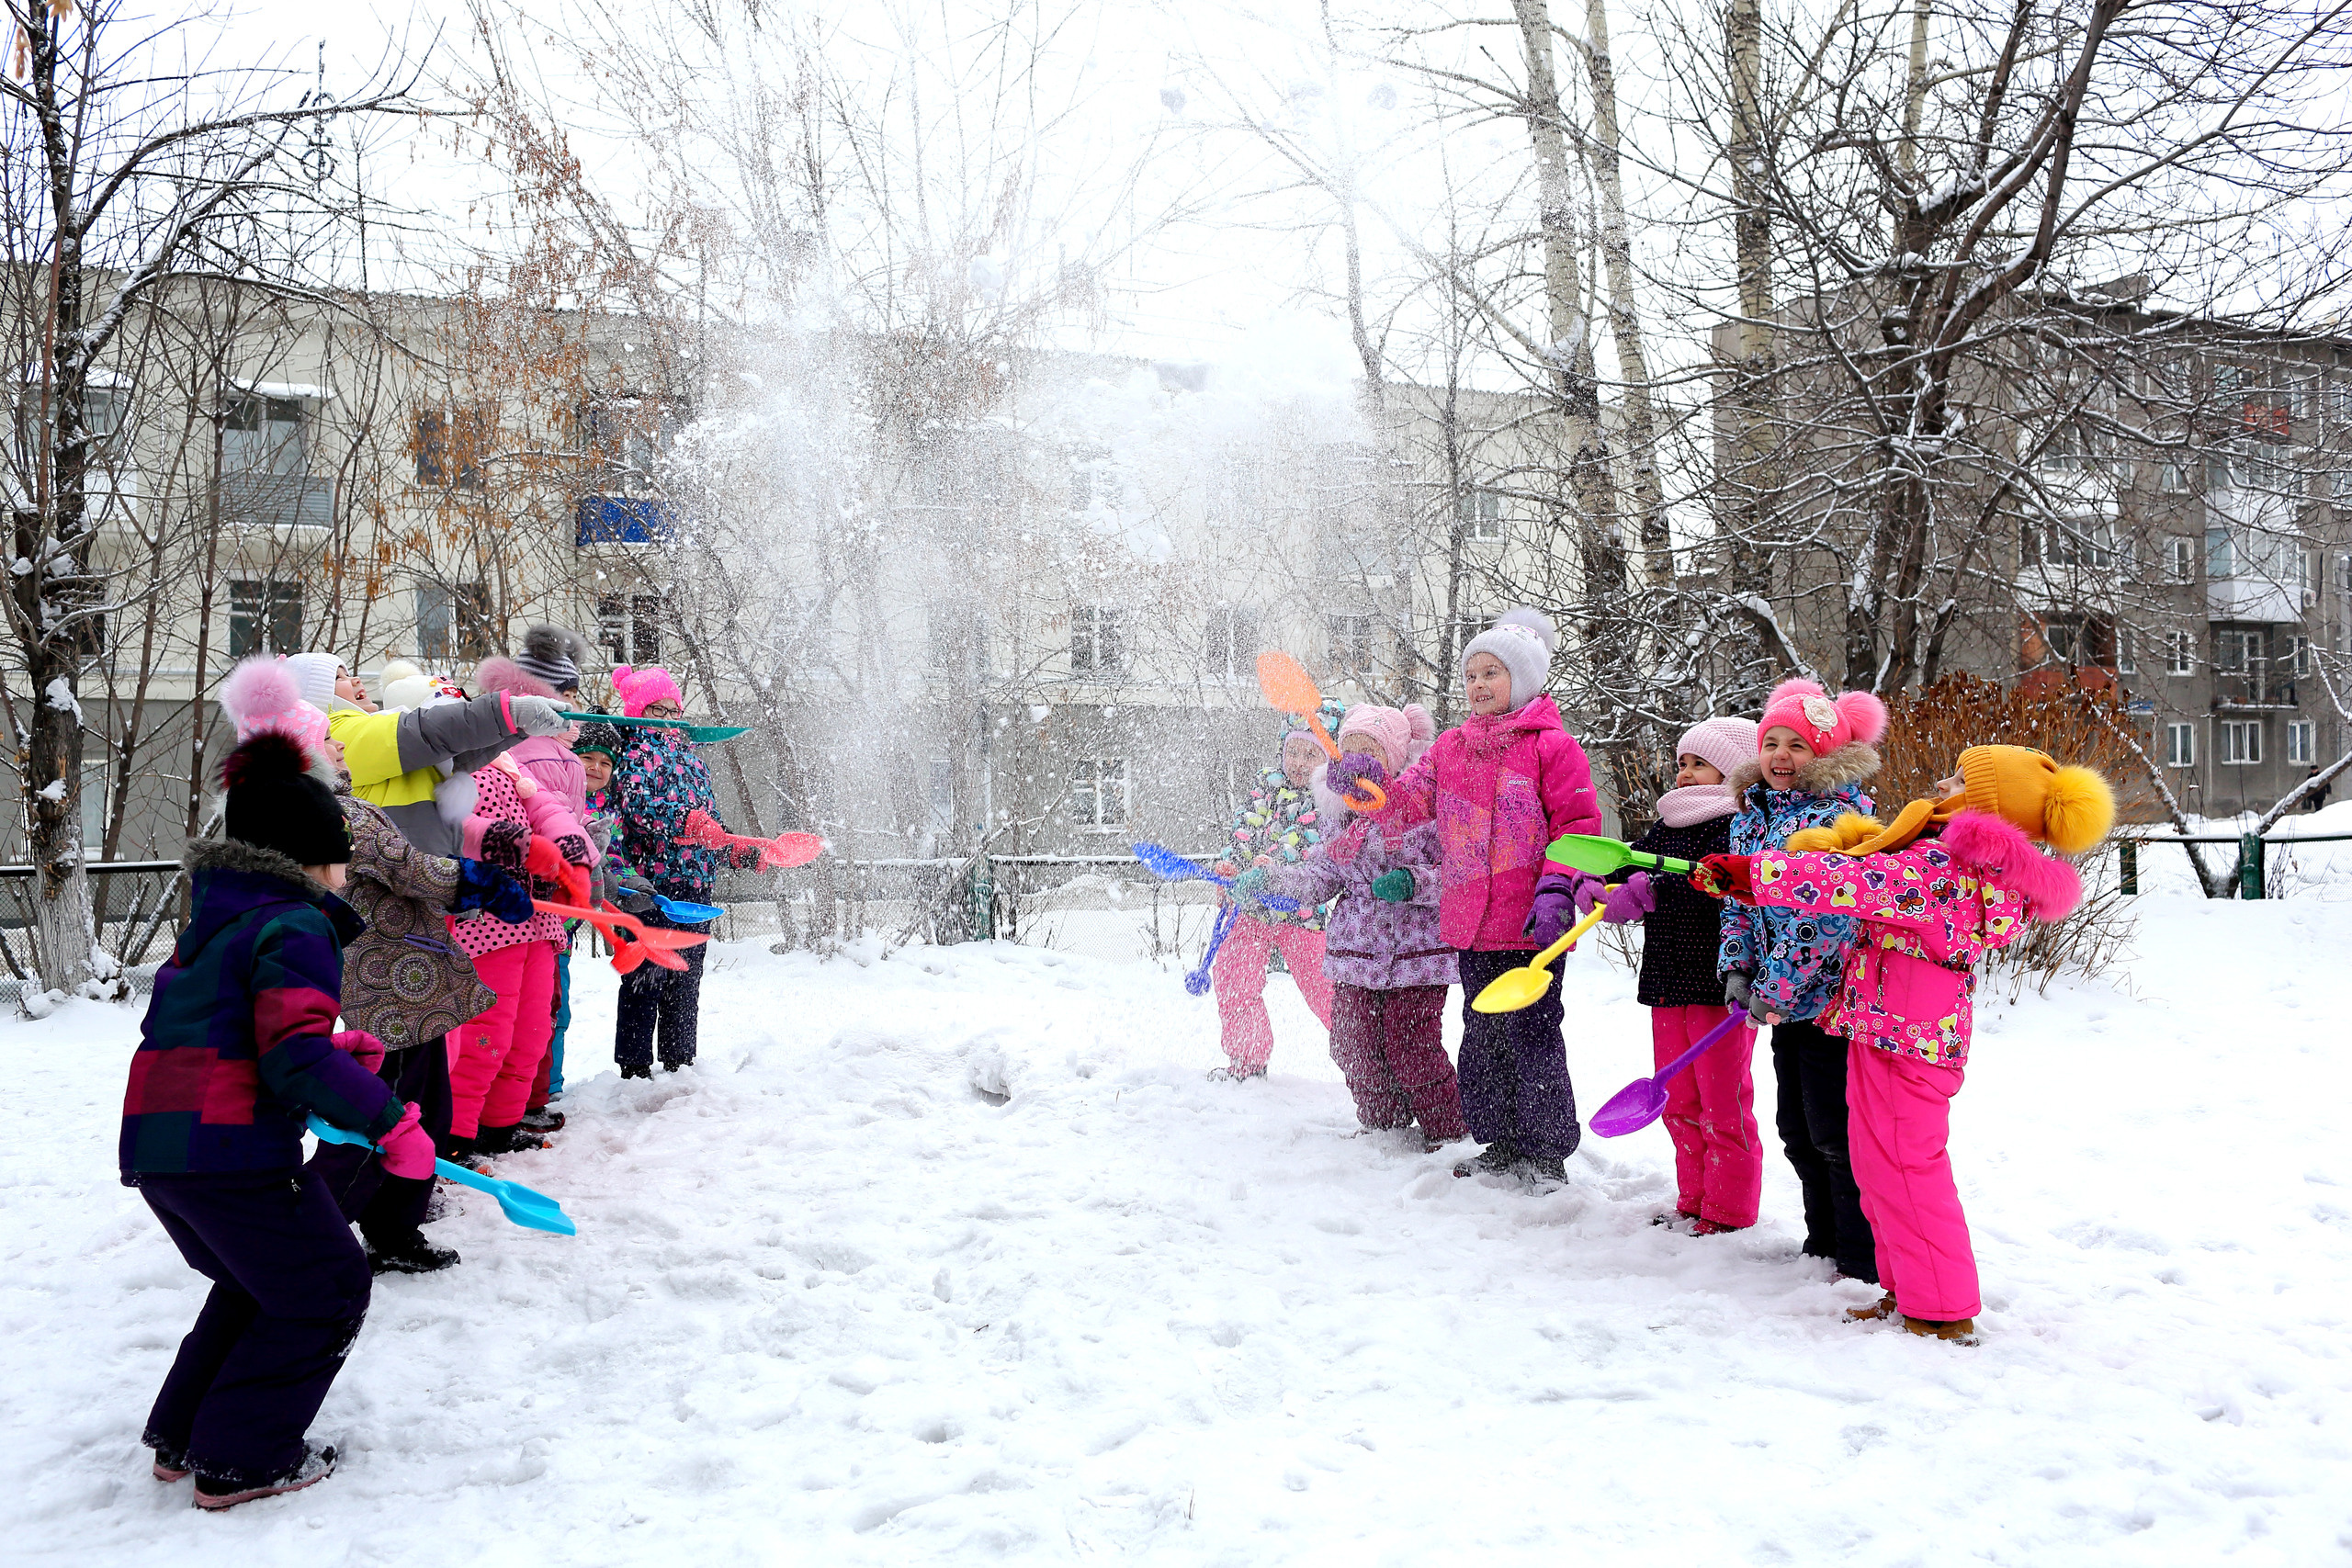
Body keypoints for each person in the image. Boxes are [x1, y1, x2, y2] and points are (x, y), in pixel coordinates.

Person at [1694, 745, 2116, 1341]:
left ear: (1987, 804)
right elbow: (1862, 871)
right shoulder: (1936, 856)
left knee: (1909, 1169)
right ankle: (1907, 1290)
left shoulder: (1949, 869)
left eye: (1960, 778)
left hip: (1912, 1040)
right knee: (1875, 1161)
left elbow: (1860, 881)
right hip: (1880, 1025)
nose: (1943, 779)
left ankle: (1944, 1311)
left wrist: (1756, 873)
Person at [119, 728, 435, 1508]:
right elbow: (289, 1056)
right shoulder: (295, 923)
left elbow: (235, 1035)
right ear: (309, 857)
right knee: (328, 1286)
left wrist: (332, 1048)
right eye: (342, 858)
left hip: (167, 1148)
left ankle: (184, 1434)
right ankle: (244, 1459)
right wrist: (391, 1122)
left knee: (257, 1281)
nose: (347, 873)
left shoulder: (221, 920)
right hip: (232, 1152)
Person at [216, 658, 526, 1274]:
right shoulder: (336, 813)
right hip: (392, 984)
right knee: (392, 1116)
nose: (340, 743)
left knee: (410, 1110)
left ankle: (391, 1226)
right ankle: (315, 1225)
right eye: (329, 738)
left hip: (377, 980)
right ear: (309, 753)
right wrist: (477, 881)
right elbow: (408, 867)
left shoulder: (287, 815)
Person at [1329, 608, 1601, 1182]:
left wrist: (1558, 888)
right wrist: (1366, 787)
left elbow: (1578, 828)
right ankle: (1499, 1142)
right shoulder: (1450, 749)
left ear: (1523, 681)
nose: (1477, 685)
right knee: (1482, 1040)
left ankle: (1546, 1153)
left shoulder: (1553, 749)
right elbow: (1405, 804)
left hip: (1533, 927)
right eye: (1471, 674)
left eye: (1491, 674)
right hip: (1470, 925)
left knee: (1531, 1037)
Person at [1561, 716, 1764, 1233]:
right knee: (1676, 1096)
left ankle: (1730, 1209)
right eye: (1682, 764)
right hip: (1668, 980)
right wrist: (1602, 887)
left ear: (1734, 770)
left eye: (1701, 764)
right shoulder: (1668, 825)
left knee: (1724, 1101)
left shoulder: (1737, 826)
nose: (1686, 774)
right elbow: (1637, 868)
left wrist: (1656, 892)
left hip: (1719, 983)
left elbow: (1727, 896)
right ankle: (1694, 1196)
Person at [1713, 679, 1886, 1281]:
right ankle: (1822, 1240)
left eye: (1798, 746)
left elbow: (1824, 920)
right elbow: (1737, 898)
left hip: (1834, 1006)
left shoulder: (1839, 820)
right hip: (1780, 1005)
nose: (1781, 755)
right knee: (1795, 1129)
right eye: (1772, 742)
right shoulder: (1750, 818)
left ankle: (1858, 1256)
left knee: (1833, 1132)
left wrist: (1775, 988)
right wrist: (1737, 965)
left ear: (1827, 756)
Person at [1266, 704, 1464, 1148]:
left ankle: (1447, 1129)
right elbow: (1320, 875)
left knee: (1411, 1048)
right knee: (1351, 1043)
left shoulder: (1427, 813)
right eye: (1349, 749)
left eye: (1370, 752)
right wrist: (1272, 881)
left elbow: (1455, 873)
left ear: (1395, 760)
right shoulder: (1342, 820)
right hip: (1357, 955)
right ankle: (1384, 1122)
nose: (1358, 762)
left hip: (1418, 957)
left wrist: (1414, 881)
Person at [607, 665, 759, 1076]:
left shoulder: (693, 760)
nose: (671, 719)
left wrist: (735, 849)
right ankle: (634, 1069)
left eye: (675, 710)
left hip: (695, 885)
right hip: (651, 887)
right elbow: (638, 809)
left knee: (686, 979)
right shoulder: (631, 755)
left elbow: (710, 822)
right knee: (645, 976)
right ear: (640, 712)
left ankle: (680, 1063)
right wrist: (686, 822)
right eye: (661, 710)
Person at [287, 649, 571, 858]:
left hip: (424, 875)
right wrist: (507, 712)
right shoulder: (340, 730)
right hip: (406, 882)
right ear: (319, 695)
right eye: (340, 678)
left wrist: (516, 725)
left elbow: (453, 755)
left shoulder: (362, 728)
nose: (357, 679)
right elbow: (424, 734)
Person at [481, 627, 599, 1131]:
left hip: (546, 895)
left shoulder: (555, 750)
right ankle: (504, 1113)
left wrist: (584, 846)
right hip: (524, 901)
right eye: (567, 695)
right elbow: (530, 816)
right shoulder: (532, 752)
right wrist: (572, 860)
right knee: (522, 1016)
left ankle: (515, 1109)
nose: (574, 705)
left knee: (537, 1012)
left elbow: (559, 813)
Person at [1212, 704, 1344, 1079]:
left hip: (1300, 913)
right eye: (1293, 752)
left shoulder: (1329, 799)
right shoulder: (1265, 788)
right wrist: (1231, 867)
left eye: (1310, 753)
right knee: (1234, 981)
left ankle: (1366, 1065)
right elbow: (1242, 834)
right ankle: (1247, 1059)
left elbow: (1316, 854)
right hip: (1250, 910)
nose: (1299, 763)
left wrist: (1275, 870)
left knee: (1327, 992)